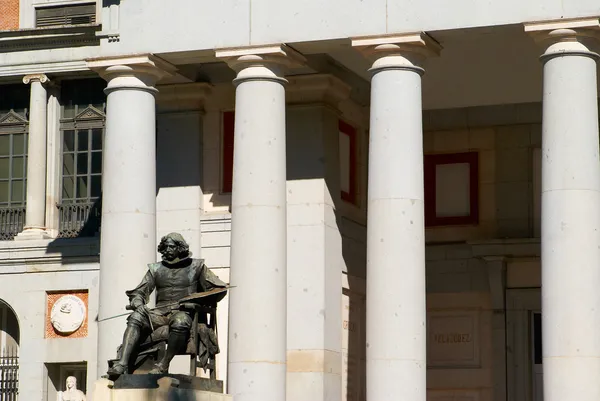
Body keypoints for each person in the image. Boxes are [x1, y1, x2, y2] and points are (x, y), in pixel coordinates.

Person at [107, 232, 227, 375]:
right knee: (136, 317)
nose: (168, 249)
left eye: (171, 246)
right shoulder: (156, 269)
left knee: (180, 321)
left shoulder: (197, 266)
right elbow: (139, 291)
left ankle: (163, 364)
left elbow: (219, 289)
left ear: (180, 248)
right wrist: (138, 303)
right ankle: (122, 364)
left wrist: (197, 300)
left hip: (183, 312)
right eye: (165, 247)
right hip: (160, 313)